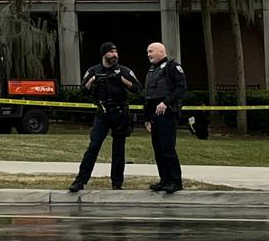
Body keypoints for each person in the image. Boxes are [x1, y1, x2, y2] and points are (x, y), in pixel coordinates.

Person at [67, 42, 137, 193]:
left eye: (116, 52)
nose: (115, 55)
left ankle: (117, 183)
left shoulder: (123, 70)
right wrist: (92, 80)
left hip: (119, 113)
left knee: (118, 149)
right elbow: (83, 91)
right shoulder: (94, 71)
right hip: (102, 114)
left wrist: (121, 80)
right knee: (94, 146)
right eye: (111, 52)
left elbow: (137, 88)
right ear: (104, 54)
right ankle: (80, 181)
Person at [141, 40, 187, 194]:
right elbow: (149, 96)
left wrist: (166, 103)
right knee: (158, 149)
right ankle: (164, 180)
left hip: (168, 114)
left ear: (161, 51)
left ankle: (175, 181)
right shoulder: (152, 70)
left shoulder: (172, 67)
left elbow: (181, 88)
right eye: (147, 52)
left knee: (167, 148)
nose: (148, 54)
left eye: (151, 51)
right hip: (155, 116)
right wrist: (146, 118)